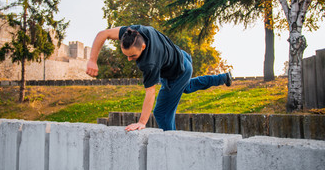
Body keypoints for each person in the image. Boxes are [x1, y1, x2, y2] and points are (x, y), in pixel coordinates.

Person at [86, 25, 232, 131]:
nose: (129, 59)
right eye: (126, 55)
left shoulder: (149, 62)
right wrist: (92, 60)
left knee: (161, 113)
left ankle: (171, 144)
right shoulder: (133, 32)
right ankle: (223, 78)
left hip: (178, 72)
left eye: (133, 56)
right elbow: (102, 34)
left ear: (143, 47)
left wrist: (142, 122)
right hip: (182, 57)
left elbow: (150, 92)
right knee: (186, 87)